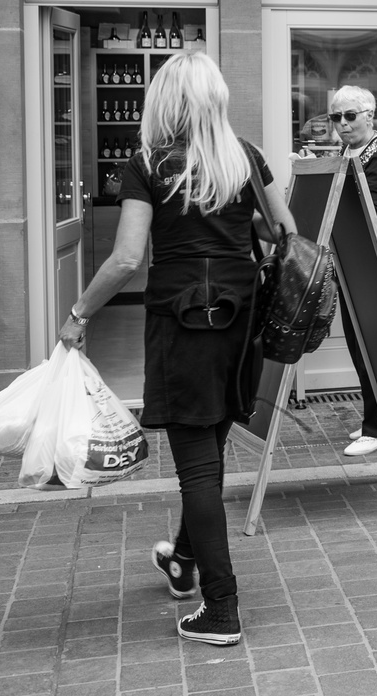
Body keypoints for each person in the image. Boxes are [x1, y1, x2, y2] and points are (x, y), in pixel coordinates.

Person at [58, 52, 295, 647]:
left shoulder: (147, 163)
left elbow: (128, 258)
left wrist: (78, 314)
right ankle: (183, 559)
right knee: (209, 451)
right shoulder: (245, 158)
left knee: (196, 470)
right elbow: (283, 233)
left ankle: (221, 610)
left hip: (183, 321)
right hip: (240, 320)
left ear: (165, 100)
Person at [321, 86, 377, 456]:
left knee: (374, 344)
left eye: (350, 116)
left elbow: (370, 206)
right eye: (336, 117)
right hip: (354, 260)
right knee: (359, 343)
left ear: (369, 115)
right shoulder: (346, 151)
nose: (342, 124)